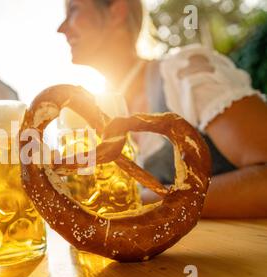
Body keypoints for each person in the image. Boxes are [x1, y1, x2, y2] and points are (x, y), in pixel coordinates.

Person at [57, 0, 267, 218]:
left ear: (117, 11)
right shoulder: (104, 116)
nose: (61, 28)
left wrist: (139, 200)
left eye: (74, 9)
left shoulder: (183, 72)